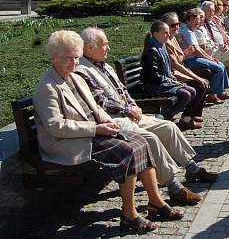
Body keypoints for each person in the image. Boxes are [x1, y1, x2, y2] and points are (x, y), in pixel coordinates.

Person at [34, 30, 183, 233]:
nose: (75, 62)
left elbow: (96, 109)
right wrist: (96, 129)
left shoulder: (75, 78)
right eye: (69, 58)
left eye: (77, 57)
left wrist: (109, 124)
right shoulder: (48, 87)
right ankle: (129, 215)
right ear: (54, 57)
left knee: (141, 141)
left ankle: (155, 202)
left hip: (92, 132)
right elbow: (56, 127)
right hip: (68, 142)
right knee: (126, 151)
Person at [75, 27, 217, 205]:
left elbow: (122, 90)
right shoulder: (82, 71)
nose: (108, 48)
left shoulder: (104, 65)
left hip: (128, 113)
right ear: (89, 48)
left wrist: (133, 105)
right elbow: (99, 102)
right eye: (104, 44)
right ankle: (174, 187)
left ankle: (192, 168)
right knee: (150, 139)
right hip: (113, 119)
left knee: (168, 127)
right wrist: (128, 110)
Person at [161, 12, 229, 104]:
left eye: (177, 24)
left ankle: (218, 92)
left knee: (218, 67)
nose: (176, 27)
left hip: (184, 64)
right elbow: (176, 63)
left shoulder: (175, 37)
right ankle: (211, 96)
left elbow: (180, 57)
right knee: (211, 75)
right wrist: (199, 75)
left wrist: (186, 53)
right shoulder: (178, 35)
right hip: (177, 71)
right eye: (173, 25)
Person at [140, 21, 205, 122]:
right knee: (186, 94)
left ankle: (184, 119)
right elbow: (153, 75)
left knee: (192, 90)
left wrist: (172, 80)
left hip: (163, 81)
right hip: (154, 85)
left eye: (168, 32)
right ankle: (166, 119)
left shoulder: (161, 46)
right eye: (165, 33)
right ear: (156, 34)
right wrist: (171, 81)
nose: (168, 35)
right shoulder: (152, 50)